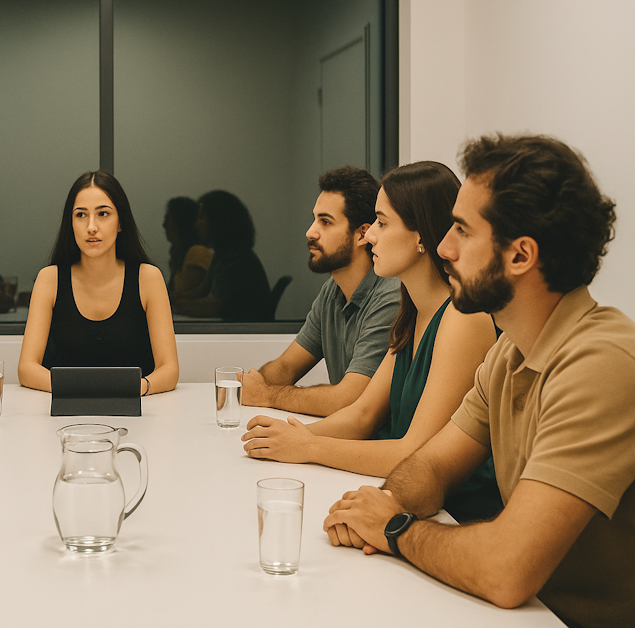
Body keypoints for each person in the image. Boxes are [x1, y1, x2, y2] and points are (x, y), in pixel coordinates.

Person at [322, 135, 634, 628]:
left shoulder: (602, 362)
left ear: (520, 255)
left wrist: (395, 528)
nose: (443, 247)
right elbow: (432, 464)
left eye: (462, 231)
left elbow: (506, 570)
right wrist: (382, 504)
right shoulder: (511, 350)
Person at [243, 162, 500, 523]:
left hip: (454, 517)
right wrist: (287, 438)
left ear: (421, 236)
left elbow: (416, 450)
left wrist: (309, 446)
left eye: (382, 222)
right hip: (404, 496)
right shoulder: (411, 310)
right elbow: (362, 415)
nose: (371, 236)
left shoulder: (463, 319)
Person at [241, 166, 401, 417]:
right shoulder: (332, 291)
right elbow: (286, 367)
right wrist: (246, 386)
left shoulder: (390, 295)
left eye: (325, 222)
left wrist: (267, 395)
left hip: (374, 444)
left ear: (362, 234)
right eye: (315, 219)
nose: (310, 232)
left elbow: (348, 398)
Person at [18, 170, 179, 394]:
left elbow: (169, 370)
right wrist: (87, 389)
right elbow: (27, 368)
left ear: (120, 222)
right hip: (63, 415)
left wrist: (132, 389)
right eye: (81, 215)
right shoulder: (49, 279)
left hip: (137, 411)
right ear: (70, 223)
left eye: (103, 214)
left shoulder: (148, 278)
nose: (91, 226)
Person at [172, 190, 270, 322]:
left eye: (202, 217)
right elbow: (201, 291)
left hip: (243, 335)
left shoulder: (236, 260)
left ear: (219, 220)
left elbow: (209, 307)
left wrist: (171, 306)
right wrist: (175, 299)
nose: (197, 224)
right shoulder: (224, 255)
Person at [162, 196, 212, 298]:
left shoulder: (198, 252)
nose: (164, 225)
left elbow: (184, 294)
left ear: (180, 222)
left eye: (168, 219)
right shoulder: (180, 254)